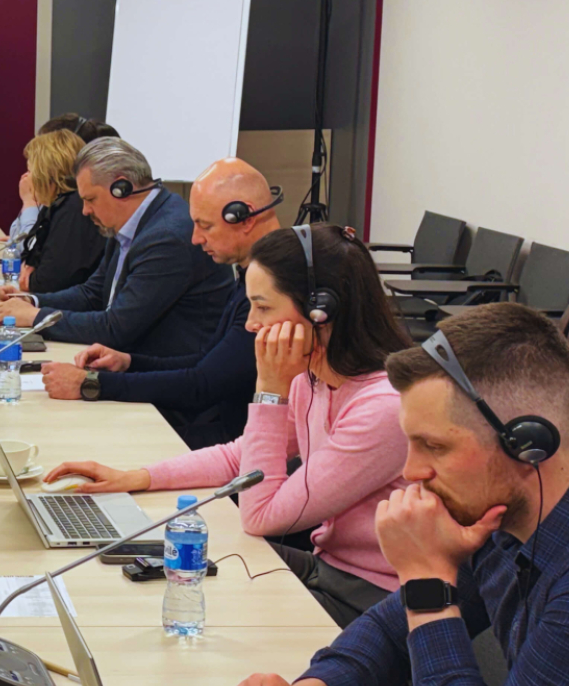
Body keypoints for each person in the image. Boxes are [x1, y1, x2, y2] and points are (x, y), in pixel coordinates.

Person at [242, 303, 569, 686]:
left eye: (434, 446)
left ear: (528, 443)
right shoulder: (504, 510)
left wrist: (425, 581)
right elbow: (388, 632)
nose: (411, 472)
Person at [46, 224, 413, 627]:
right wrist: (137, 477)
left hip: (374, 601)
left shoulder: (382, 407)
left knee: (194, 606)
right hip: (328, 569)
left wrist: (270, 391)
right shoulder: (318, 378)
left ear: (320, 310)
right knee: (161, 564)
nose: (252, 323)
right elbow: (241, 456)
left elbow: (262, 517)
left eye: (264, 307)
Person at [39, 158, 284, 449]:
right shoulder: (253, 272)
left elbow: (203, 385)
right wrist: (128, 363)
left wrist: (91, 385)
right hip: (222, 430)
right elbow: (207, 360)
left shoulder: (276, 288)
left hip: (233, 442)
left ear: (244, 217)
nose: (195, 238)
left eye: (205, 226)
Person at [0, 138, 232, 357]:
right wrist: (30, 301)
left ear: (122, 188)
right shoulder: (133, 224)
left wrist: (36, 318)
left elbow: (116, 328)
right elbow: (92, 294)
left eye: (90, 199)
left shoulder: (166, 239)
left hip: (166, 384)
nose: (85, 211)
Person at [18, 130, 105, 294]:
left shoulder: (74, 210)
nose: (25, 177)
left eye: (30, 171)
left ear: (47, 173)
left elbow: (48, 281)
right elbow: (28, 257)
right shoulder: (56, 206)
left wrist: (31, 276)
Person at [8, 114, 113, 242]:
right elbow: (18, 244)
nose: (28, 176)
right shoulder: (53, 201)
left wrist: (30, 203)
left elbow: (27, 248)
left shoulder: (72, 208)